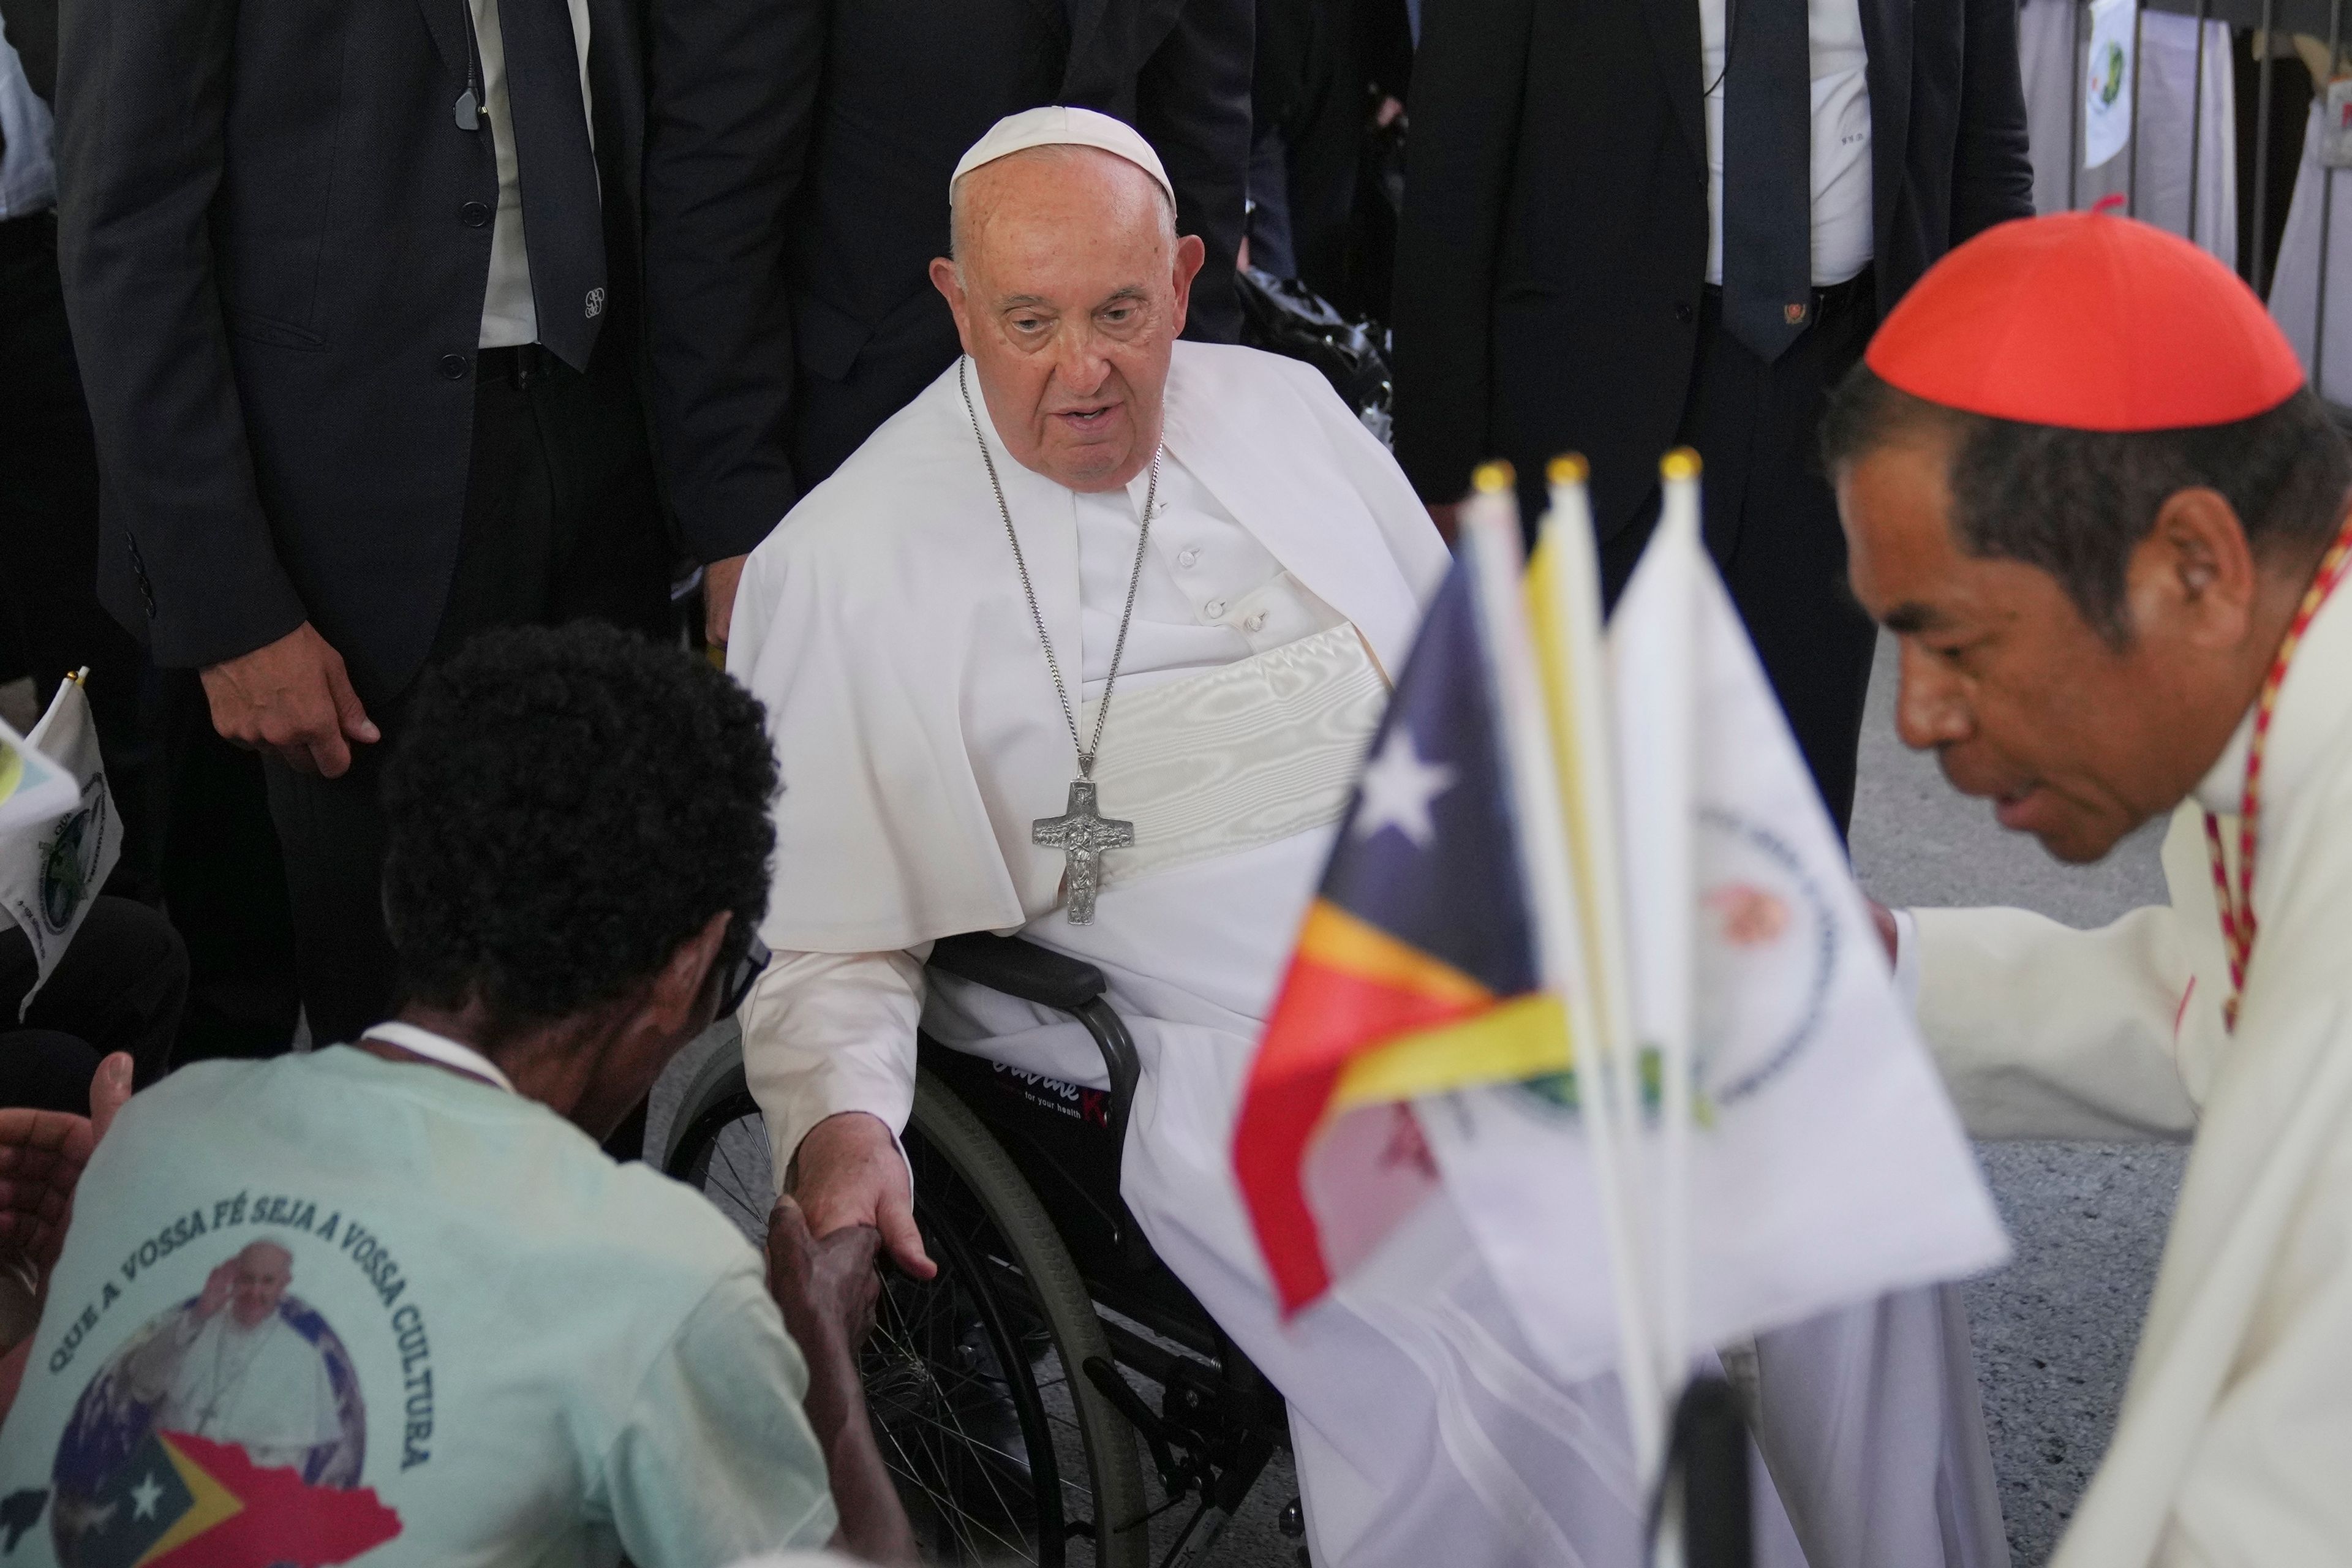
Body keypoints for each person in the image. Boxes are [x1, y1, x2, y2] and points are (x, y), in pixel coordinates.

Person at [729, 106, 1820, 1568]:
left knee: (1810, 1070)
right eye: (1029, 321)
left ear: (1185, 278)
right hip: (1221, 1032)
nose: (1082, 370)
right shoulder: (841, 560)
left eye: (1121, 312)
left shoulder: (1288, 413)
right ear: (953, 303)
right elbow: (828, 938)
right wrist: (841, 1121)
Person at [0, 625, 914, 1567]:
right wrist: (823, 1364)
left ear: (403, 898)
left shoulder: (157, 1130)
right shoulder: (669, 1277)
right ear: (688, 967)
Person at [1829, 211, 2352, 1566]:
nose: (1920, 719)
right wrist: (1875, 965)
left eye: (1952, 641)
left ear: (2195, 566)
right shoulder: (2297, 696)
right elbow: (2220, 1008)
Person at [54, 0, 680, 1049]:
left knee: (605, 983)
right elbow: (126, 225)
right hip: (348, 512)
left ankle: (599, 1218)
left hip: (603, 429)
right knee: (409, 1020)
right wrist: (229, 614)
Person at [1389, 0, 2033, 835]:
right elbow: (1453, 166)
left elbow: (1987, 157)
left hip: (1844, 399)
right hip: (1587, 399)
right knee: (1585, 815)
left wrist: (1991, 422)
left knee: (1792, 796)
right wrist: (1436, 467)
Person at [642, 0, 1252, 649]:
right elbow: (717, 190)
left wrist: (1193, 428)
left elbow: (1203, 146)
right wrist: (739, 523)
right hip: (855, 435)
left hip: (1122, 453)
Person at [124, 1242, 342, 1471]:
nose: (254, 1292)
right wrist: (199, 1316)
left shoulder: (302, 1358)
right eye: (247, 1279)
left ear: (284, 1285)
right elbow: (142, 1384)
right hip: (158, 1477)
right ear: (235, 1278)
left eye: (267, 1281)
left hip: (232, 1497)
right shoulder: (195, 1324)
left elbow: (288, 1467)